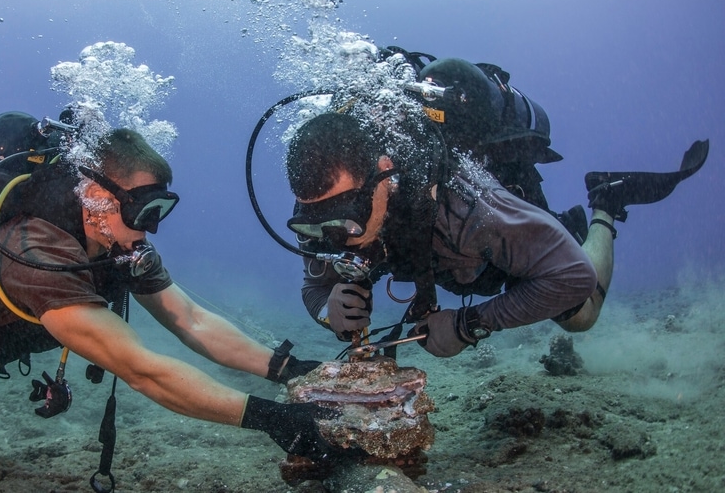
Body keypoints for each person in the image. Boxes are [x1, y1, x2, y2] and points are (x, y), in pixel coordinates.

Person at [0, 124, 340, 464]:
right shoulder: (36, 252)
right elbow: (142, 368)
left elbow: (189, 319)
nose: (150, 230)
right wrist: (275, 419)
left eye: (161, 210)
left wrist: (288, 368)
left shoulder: (118, 245)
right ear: (95, 194)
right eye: (143, 210)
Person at [280, 57, 708, 357]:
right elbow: (314, 286)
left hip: (492, 233)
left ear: (385, 175)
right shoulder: (321, 211)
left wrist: (471, 325)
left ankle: (606, 201)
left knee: (582, 317)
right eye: (317, 224)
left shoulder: (468, 201)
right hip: (445, 251)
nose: (336, 239)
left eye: (347, 219)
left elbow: (573, 278)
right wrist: (326, 308)